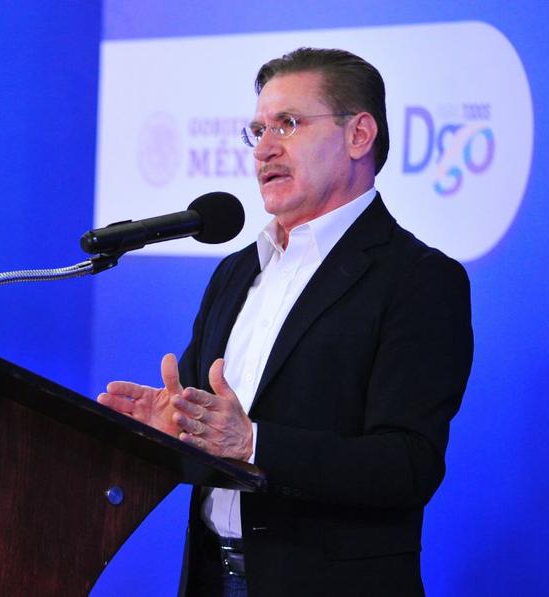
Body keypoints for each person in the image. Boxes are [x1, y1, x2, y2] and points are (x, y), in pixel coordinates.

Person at [97, 48, 473, 596]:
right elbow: (209, 430)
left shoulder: (417, 279)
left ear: (358, 135)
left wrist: (255, 444)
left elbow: (407, 466)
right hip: (211, 579)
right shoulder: (235, 272)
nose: (264, 148)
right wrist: (176, 432)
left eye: (289, 124)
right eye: (258, 130)